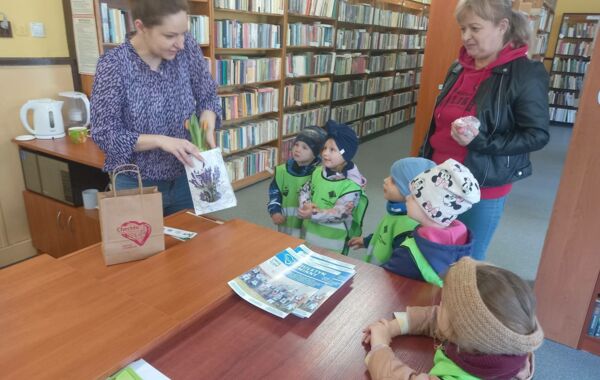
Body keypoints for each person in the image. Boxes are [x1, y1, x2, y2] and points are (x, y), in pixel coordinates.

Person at [419, 0, 550, 260]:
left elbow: (537, 134)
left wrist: (480, 142)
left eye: (475, 28)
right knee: (429, 256)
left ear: (502, 27)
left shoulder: (525, 73)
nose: (466, 37)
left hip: (481, 188)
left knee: (464, 264)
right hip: (437, 180)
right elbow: (438, 124)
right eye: (462, 29)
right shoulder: (457, 68)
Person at [90, 0, 221, 216]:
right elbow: (105, 134)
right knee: (143, 247)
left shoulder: (186, 47)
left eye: (183, 33)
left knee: (195, 245)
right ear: (141, 27)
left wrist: (207, 123)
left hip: (188, 177)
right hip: (137, 183)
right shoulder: (113, 65)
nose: (180, 43)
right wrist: (160, 140)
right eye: (170, 36)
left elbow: (207, 95)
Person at [362, 257, 544, 379]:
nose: (437, 307)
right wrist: (395, 326)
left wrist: (379, 347)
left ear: (463, 330)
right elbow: (438, 319)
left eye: (443, 304)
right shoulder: (502, 340)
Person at [383, 159, 480, 287]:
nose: (407, 197)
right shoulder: (462, 242)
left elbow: (385, 278)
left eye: (413, 196)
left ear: (430, 210)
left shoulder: (408, 254)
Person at [298, 120, 368, 255]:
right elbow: (305, 189)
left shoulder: (351, 186)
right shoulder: (318, 171)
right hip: (309, 235)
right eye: (324, 148)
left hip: (332, 244)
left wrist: (313, 214)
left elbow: (340, 213)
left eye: (332, 150)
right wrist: (305, 204)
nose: (325, 153)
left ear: (345, 154)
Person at [348, 157, 436, 265]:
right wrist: (368, 240)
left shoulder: (409, 229)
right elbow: (387, 234)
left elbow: (398, 264)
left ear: (411, 193)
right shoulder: (397, 213)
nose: (385, 180)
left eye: (394, 181)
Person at [267, 126, 327, 237]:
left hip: (309, 227)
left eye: (305, 147)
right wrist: (274, 211)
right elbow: (274, 194)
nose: (298, 149)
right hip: (286, 225)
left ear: (315, 153)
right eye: (296, 144)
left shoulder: (319, 175)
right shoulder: (282, 171)